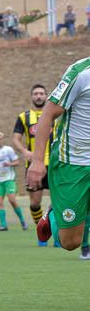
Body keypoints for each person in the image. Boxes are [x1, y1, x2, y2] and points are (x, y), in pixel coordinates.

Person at [29, 57, 90, 259]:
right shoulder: (80, 72)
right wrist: (37, 162)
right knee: (70, 242)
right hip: (72, 163)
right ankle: (55, 212)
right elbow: (47, 115)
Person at [12, 84, 55, 246]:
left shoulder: (55, 115)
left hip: (54, 165)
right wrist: (24, 151)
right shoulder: (24, 117)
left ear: (46, 96)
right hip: (34, 166)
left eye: (41, 94)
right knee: (35, 203)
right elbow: (16, 138)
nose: (38, 96)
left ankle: (55, 230)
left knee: (56, 202)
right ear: (31, 97)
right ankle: (41, 231)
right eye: (36, 94)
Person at [0, 132, 26, 231]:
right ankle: (3, 225)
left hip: (9, 179)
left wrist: (9, 163)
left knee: (12, 200)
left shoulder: (8, 150)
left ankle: (22, 221)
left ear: (3, 140)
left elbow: (17, 162)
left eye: (0, 139)